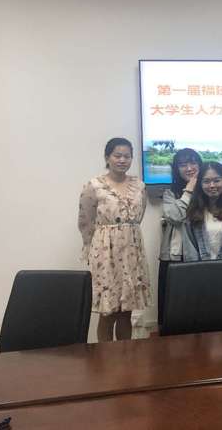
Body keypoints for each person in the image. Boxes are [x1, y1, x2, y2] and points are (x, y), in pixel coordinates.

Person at [78, 137, 151, 342]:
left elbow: (138, 218)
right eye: (117, 155)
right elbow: (85, 220)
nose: (122, 160)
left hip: (132, 252)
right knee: (108, 311)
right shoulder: (94, 186)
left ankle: (125, 355)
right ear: (107, 157)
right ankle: (106, 357)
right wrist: (91, 248)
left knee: (127, 310)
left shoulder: (139, 185)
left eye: (127, 156)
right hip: (105, 253)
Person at [158, 148, 203, 327]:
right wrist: (189, 189)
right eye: (183, 164)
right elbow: (175, 216)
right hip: (174, 258)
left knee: (199, 310)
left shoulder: (208, 189)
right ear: (176, 169)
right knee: (173, 312)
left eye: (193, 163)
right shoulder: (170, 193)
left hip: (201, 257)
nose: (189, 168)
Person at [182, 161, 222, 261]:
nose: (212, 185)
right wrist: (199, 267)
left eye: (217, 180)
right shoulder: (192, 210)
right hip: (199, 268)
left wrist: (219, 267)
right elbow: (190, 249)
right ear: (200, 184)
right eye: (206, 181)